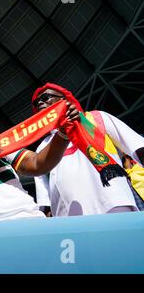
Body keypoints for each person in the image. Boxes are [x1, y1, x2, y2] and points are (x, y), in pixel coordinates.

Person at [32, 83, 144, 216]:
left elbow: (138, 147)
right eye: (36, 102)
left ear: (64, 100)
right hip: (68, 218)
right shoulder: (42, 147)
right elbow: (45, 201)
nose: (40, 103)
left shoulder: (97, 118)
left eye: (45, 97)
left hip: (112, 204)